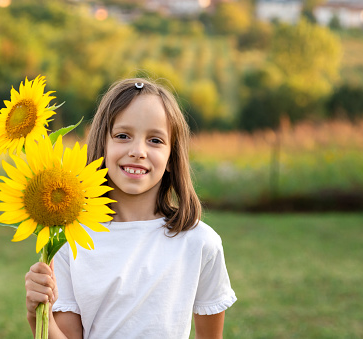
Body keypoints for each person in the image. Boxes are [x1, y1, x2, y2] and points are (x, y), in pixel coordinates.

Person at [24, 78, 237, 338]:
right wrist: (38, 316)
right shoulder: (69, 241)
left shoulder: (200, 243)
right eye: (123, 136)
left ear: (172, 156)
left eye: (155, 140)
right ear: (102, 145)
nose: (138, 151)